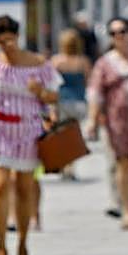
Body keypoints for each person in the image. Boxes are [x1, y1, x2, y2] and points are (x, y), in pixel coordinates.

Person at [0, 15, 60, 255]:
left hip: (28, 129)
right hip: (0, 129)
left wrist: (39, 92)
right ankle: (0, 246)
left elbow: (54, 94)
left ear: (17, 37)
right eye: (1, 41)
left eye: (10, 40)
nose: (6, 46)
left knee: (24, 188)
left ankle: (22, 243)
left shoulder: (38, 63)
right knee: (0, 186)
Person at [86, 17, 128, 227]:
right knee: (123, 163)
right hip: (116, 121)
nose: (119, 36)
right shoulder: (105, 62)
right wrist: (92, 120)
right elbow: (95, 93)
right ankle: (126, 209)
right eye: (113, 33)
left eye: (122, 31)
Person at [51, 28, 92, 181]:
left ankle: (64, 165)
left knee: (62, 137)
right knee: (74, 137)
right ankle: (71, 168)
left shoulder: (57, 61)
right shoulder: (83, 61)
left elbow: (51, 84)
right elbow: (89, 81)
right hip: (79, 102)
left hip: (62, 101)